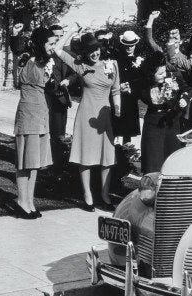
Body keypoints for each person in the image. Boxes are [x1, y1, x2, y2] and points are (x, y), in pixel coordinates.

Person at [54, 26, 121, 211]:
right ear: (85, 53)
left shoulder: (111, 65)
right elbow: (58, 50)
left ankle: (105, 195)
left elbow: (115, 90)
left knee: (107, 156)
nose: (94, 54)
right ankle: (87, 195)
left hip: (105, 116)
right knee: (85, 156)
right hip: (86, 114)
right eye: (91, 51)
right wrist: (70, 32)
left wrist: (117, 107)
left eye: (96, 50)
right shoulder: (80, 65)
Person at [12, 27, 57, 219]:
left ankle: (29, 201)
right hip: (28, 114)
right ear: (40, 43)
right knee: (25, 161)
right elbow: (17, 52)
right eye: (50, 43)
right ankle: (21, 201)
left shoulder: (44, 62)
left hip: (40, 114)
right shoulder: (29, 59)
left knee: (35, 163)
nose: (53, 47)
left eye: (54, 43)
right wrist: (14, 36)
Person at [136, 52, 192, 173]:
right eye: (160, 73)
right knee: (153, 161)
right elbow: (141, 95)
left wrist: (184, 99)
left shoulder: (174, 76)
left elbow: (187, 89)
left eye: (164, 71)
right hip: (154, 123)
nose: (164, 75)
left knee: (171, 159)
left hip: (172, 122)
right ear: (151, 74)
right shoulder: (145, 85)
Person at [113, 30, 143, 143]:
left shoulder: (139, 60)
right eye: (127, 45)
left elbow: (141, 80)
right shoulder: (117, 60)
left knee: (128, 130)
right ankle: (114, 153)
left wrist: (131, 88)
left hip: (131, 98)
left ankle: (127, 151)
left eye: (132, 45)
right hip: (118, 96)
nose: (129, 48)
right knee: (116, 126)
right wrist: (119, 86)